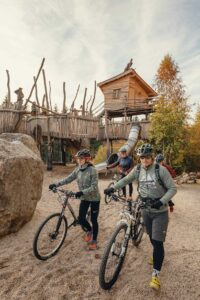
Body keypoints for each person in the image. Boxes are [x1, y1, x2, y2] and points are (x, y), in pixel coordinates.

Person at [104, 143, 177, 290]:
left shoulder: (160, 170)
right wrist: (113, 187)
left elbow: (172, 188)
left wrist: (162, 201)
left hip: (159, 212)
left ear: (152, 157)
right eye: (142, 157)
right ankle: (156, 254)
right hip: (145, 210)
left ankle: (155, 276)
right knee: (150, 237)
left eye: (147, 157)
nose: (144, 160)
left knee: (157, 243)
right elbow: (126, 180)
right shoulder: (138, 169)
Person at [49, 149, 100, 250]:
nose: (79, 160)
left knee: (94, 220)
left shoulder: (92, 170)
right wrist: (56, 184)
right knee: (81, 219)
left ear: (86, 159)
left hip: (94, 198)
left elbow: (94, 187)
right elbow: (68, 179)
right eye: (78, 159)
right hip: (84, 198)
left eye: (81, 158)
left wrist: (81, 192)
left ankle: (94, 240)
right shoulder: (77, 169)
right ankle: (89, 230)